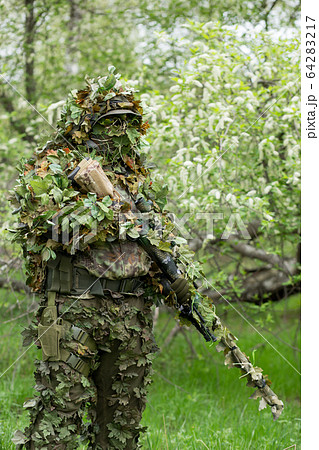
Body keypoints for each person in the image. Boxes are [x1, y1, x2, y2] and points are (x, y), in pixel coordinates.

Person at [11, 72, 283, 449]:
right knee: (58, 422)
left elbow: (156, 241)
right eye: (111, 121)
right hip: (74, 310)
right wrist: (108, 202)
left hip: (132, 314)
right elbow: (54, 230)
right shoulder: (53, 168)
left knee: (121, 427)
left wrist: (177, 284)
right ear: (86, 122)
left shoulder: (135, 177)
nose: (121, 131)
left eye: (129, 123)